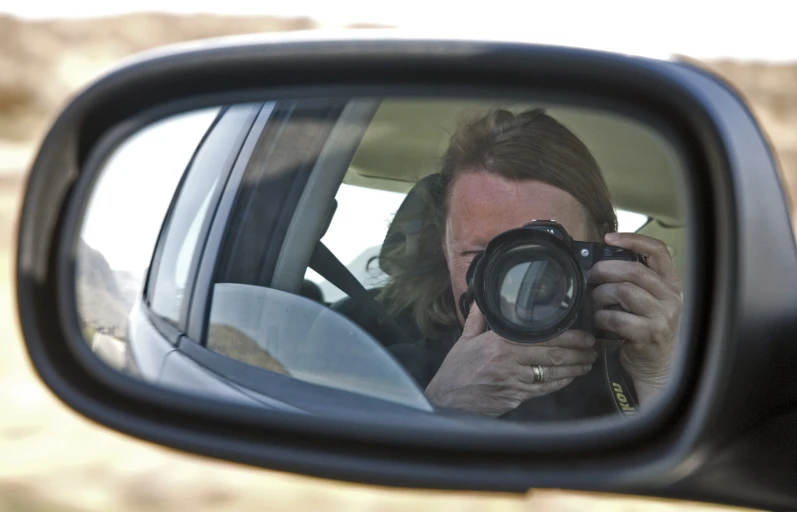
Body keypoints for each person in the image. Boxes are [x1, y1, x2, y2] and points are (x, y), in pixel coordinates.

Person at [377, 108, 682, 421]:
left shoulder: (641, 360)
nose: (513, 277)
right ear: (446, 250)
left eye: (542, 251)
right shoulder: (391, 375)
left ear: (601, 244)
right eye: (478, 253)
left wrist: (658, 376)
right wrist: (446, 403)